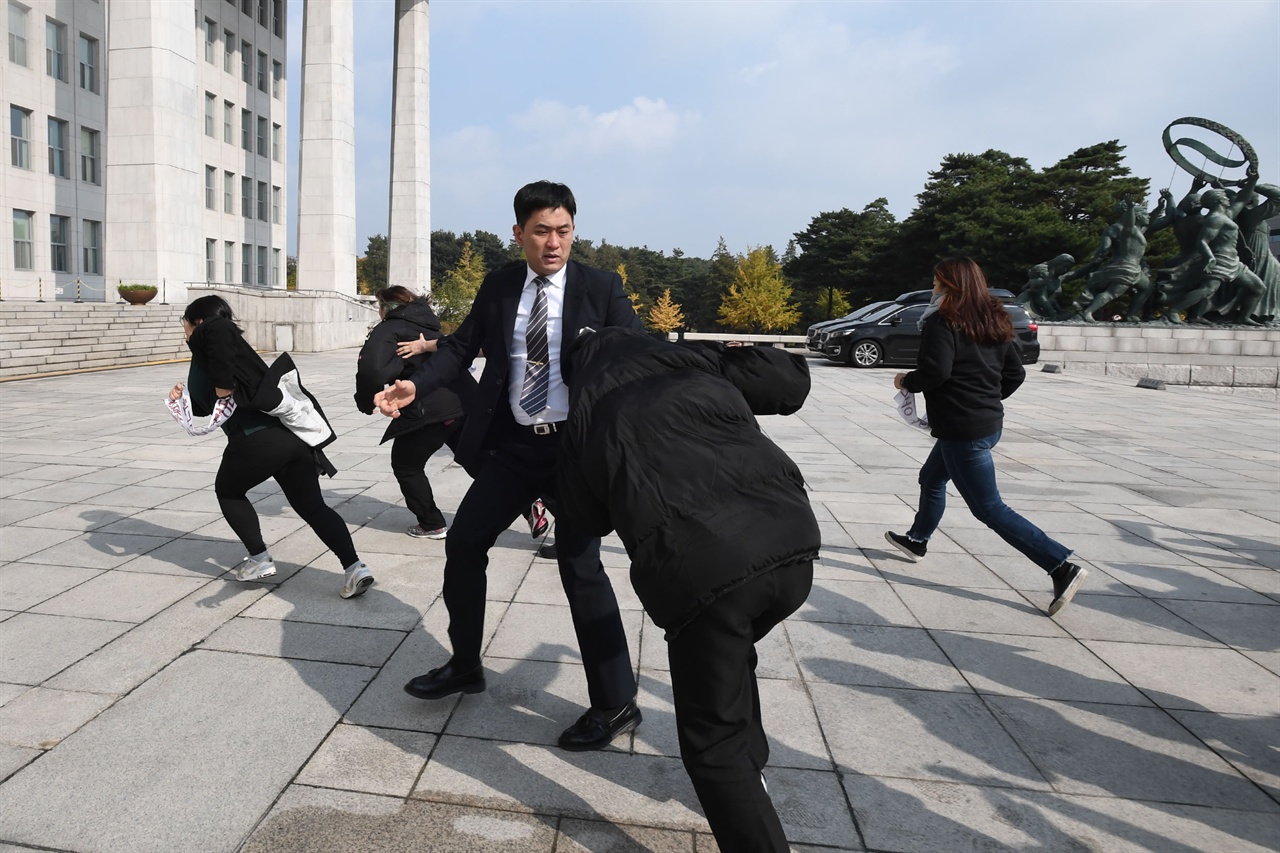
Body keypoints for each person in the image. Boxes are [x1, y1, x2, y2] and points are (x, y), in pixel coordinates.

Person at [374, 181, 641, 750]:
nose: (554, 243)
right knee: (465, 543)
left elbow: (634, 356)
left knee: (580, 565)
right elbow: (458, 348)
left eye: (564, 231)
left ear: (574, 231)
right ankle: (466, 664)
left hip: (575, 451)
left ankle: (616, 702)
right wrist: (412, 387)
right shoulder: (499, 286)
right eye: (542, 231)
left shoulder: (601, 286)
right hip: (515, 447)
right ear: (518, 233)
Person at [557, 326, 819, 853]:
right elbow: (789, 383)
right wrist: (723, 353)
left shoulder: (586, 412)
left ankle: (744, 794)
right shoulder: (693, 363)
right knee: (730, 653)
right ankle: (754, 769)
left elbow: (582, 518)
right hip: (792, 544)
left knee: (711, 744)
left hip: (707, 567)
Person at [885, 257, 1086, 616]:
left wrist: (905, 381)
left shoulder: (942, 320)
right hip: (986, 424)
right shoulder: (994, 318)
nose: (933, 287)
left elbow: (935, 372)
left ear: (949, 285)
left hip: (964, 431)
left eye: (936, 281)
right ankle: (917, 540)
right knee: (931, 478)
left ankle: (1060, 565)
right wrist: (986, 400)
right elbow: (1015, 374)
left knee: (989, 508)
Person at [169, 295, 374, 598]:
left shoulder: (214, 332)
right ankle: (355, 568)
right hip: (290, 440)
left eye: (185, 325)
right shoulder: (215, 353)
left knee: (228, 491)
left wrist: (222, 385)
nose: (185, 333)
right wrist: (182, 396)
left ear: (197, 321)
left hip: (256, 438)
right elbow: (207, 406)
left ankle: (259, 558)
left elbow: (223, 376)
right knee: (312, 506)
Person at [355, 286, 476, 539]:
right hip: (462, 402)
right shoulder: (430, 326)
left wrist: (367, 400)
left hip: (429, 407)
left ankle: (432, 523)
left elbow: (372, 371)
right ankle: (527, 501)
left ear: (386, 308)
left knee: (406, 465)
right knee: (476, 459)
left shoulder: (388, 329)